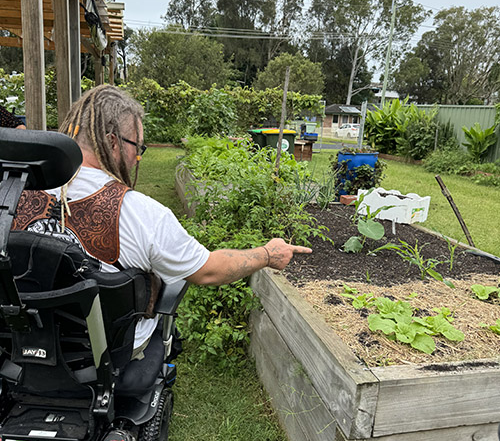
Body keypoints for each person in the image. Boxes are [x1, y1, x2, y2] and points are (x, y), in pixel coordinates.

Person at [12, 85, 311, 358]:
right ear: (113, 142)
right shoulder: (141, 214)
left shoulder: (13, 195)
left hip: (22, 343)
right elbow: (209, 271)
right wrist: (268, 254)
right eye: (137, 147)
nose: (137, 159)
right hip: (103, 354)